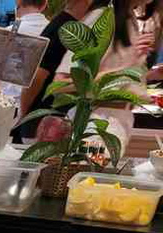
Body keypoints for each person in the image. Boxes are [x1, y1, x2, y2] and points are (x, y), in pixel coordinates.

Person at [51, 0, 159, 151]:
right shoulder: (102, 18)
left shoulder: (130, 21)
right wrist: (125, 68)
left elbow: (118, 79)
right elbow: (60, 84)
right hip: (96, 123)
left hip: (119, 120)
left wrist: (150, 74)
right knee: (88, 173)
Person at [14, 0, 107, 139]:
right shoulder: (64, 28)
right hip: (44, 122)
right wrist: (24, 113)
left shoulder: (71, 26)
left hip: (53, 119)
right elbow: (37, 76)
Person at [1, 0, 49, 108]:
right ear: (45, 4)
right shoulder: (55, 32)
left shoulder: (6, 33)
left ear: (17, 3)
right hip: (43, 105)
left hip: (7, 105)